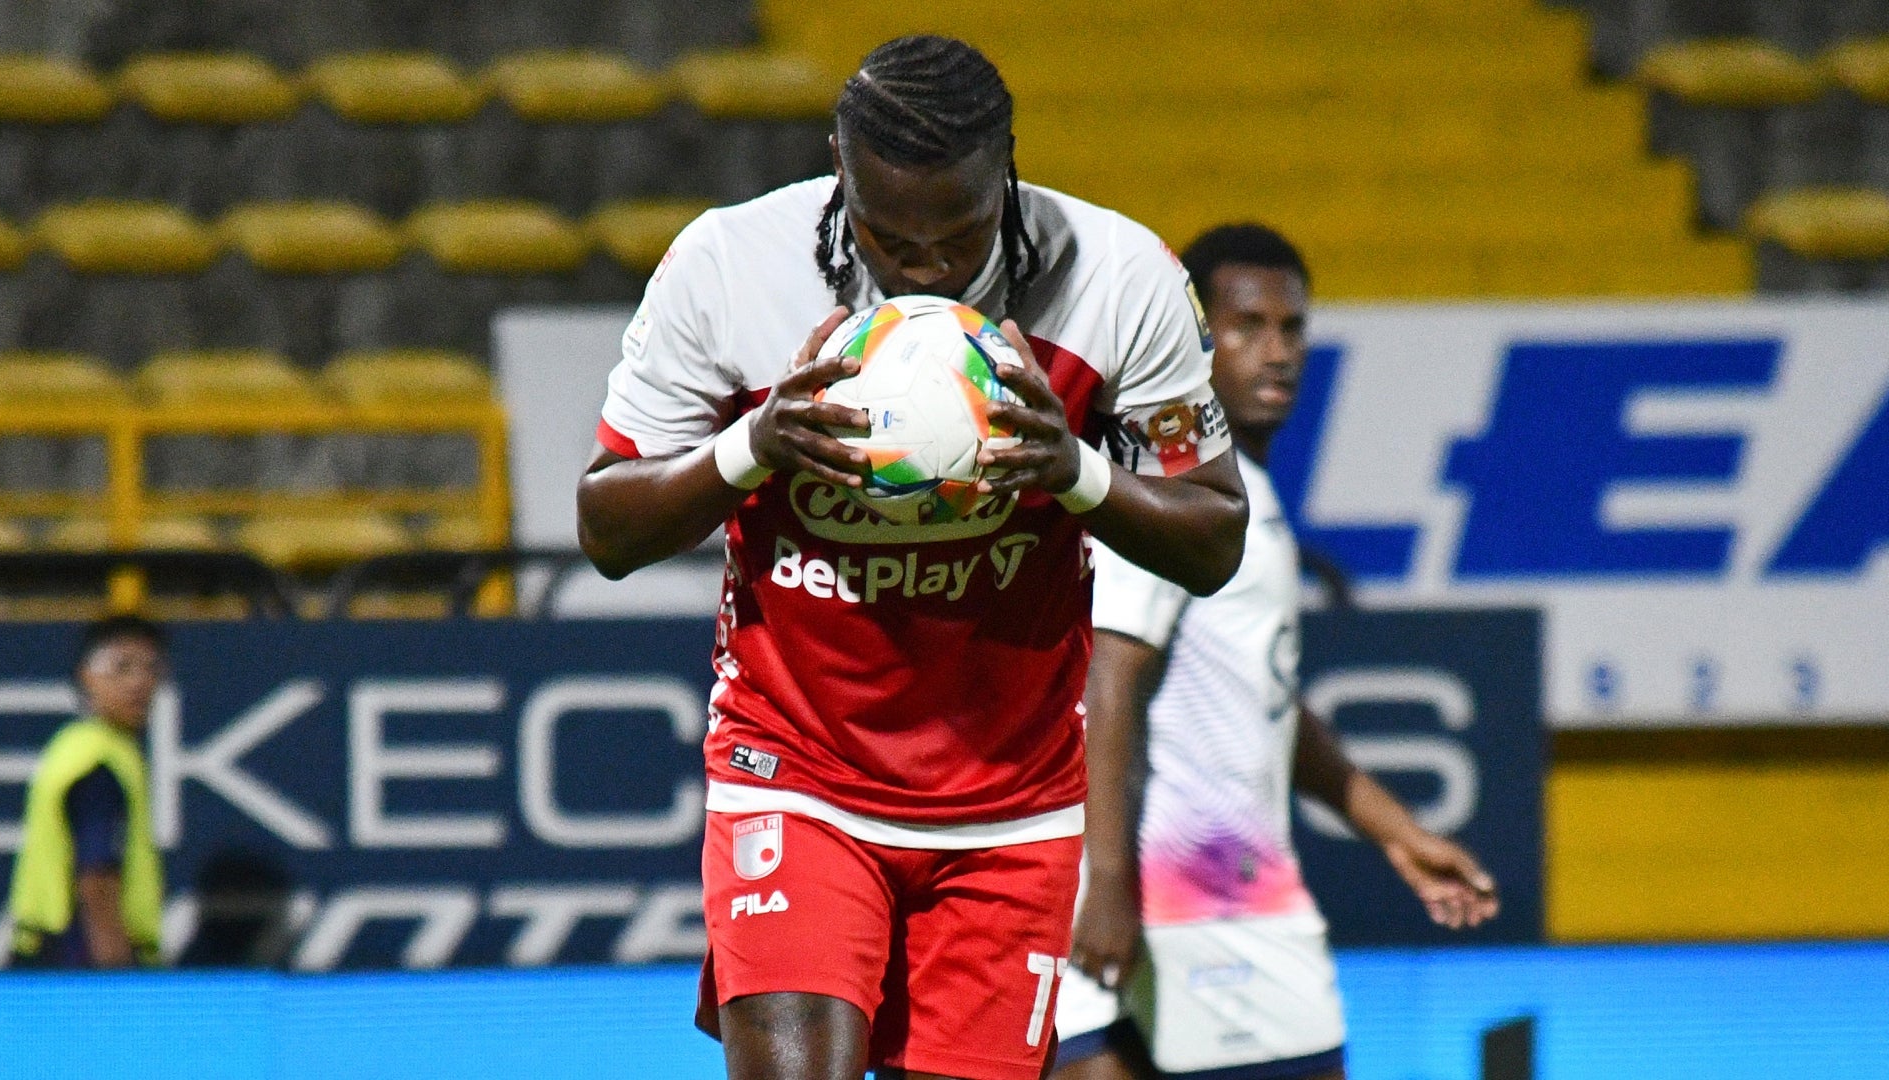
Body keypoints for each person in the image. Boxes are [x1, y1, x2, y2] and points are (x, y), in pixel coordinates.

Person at [576, 35, 1248, 1080]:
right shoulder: (727, 265)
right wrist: (751, 447)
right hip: (795, 763)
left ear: (1008, 171)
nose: (926, 265)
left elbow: (1214, 536)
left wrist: (1074, 471)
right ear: (839, 173)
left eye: (961, 233)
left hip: (1012, 801)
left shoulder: (1120, 277)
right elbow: (606, 527)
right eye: (891, 239)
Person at [1052, 225, 1502, 1080]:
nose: (1278, 352)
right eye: (1247, 326)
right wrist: (1104, 882)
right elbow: (1109, 673)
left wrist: (1393, 830)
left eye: (1293, 329)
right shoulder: (1178, 485)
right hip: (1192, 906)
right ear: (1191, 337)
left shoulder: (1242, 490)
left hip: (1207, 903)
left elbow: (1255, 694)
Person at [8, 614, 167, 969]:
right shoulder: (98, 763)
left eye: (151, 668)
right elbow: (97, 879)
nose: (140, 682)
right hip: (78, 962)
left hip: (47, 954)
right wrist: (116, 980)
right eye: (122, 667)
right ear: (87, 676)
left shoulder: (74, 748)